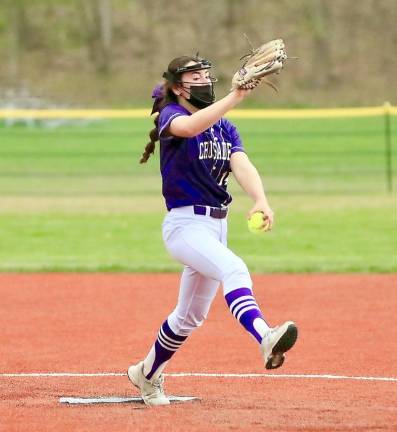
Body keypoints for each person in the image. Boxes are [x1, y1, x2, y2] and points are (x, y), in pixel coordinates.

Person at [127, 55, 298, 406]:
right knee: (233, 268)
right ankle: (265, 336)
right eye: (195, 76)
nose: (204, 79)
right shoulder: (171, 116)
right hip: (185, 225)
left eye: (206, 74)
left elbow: (241, 163)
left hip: (217, 225)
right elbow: (189, 129)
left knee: (189, 317)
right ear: (178, 87)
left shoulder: (224, 127)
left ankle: (146, 374)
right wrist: (235, 96)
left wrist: (261, 199)